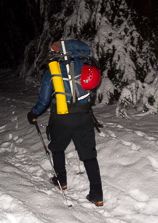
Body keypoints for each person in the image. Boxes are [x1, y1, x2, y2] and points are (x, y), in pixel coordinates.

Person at [27, 39, 103, 207]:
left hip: (61, 117)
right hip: (84, 116)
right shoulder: (86, 65)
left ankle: (61, 179)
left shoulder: (54, 70)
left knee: (57, 147)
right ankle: (97, 193)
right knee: (89, 154)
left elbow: (44, 100)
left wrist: (33, 113)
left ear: (61, 52)